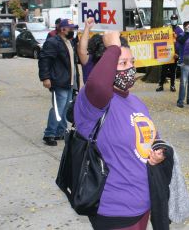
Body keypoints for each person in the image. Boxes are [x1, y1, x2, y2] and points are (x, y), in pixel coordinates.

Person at [75, 31, 169, 230]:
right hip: (115, 210)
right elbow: (99, 84)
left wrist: (158, 151)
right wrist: (113, 48)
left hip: (143, 203)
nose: (130, 69)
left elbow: (151, 137)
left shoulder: (135, 101)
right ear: (106, 66)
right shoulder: (93, 101)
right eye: (122, 64)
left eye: (131, 62)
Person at [38, 19, 79, 146]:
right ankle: (49, 134)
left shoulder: (69, 42)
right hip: (59, 81)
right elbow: (44, 60)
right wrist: (45, 78)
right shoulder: (53, 42)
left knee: (65, 108)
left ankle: (60, 131)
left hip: (68, 81)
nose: (73, 31)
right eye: (71, 29)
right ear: (63, 29)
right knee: (58, 108)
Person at [156, 14, 182, 92]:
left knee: (173, 71)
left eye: (175, 19)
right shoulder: (167, 28)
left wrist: (178, 53)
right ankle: (161, 85)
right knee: (163, 70)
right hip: (165, 53)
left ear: (177, 20)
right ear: (170, 20)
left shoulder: (180, 30)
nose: (173, 20)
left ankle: (172, 85)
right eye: (172, 19)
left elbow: (181, 43)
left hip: (174, 55)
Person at [176, 21, 189, 108]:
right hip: (184, 61)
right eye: (187, 27)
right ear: (183, 27)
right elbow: (182, 41)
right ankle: (180, 101)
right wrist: (187, 33)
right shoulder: (181, 35)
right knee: (183, 82)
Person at [77, 17, 95, 84]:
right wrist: (87, 27)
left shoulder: (107, 58)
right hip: (91, 92)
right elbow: (82, 49)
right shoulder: (89, 60)